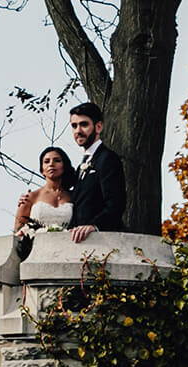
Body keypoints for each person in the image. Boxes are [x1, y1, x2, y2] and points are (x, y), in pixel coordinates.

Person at [60, 101, 126, 241]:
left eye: (84, 124)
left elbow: (116, 203)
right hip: (79, 241)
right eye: (74, 126)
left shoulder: (108, 159)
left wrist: (94, 225)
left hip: (102, 241)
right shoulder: (82, 165)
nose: (78, 130)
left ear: (98, 127)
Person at [14, 146, 77, 257]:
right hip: (37, 253)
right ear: (42, 170)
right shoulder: (31, 197)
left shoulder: (74, 196)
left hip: (68, 251)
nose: (51, 164)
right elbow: (18, 230)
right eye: (46, 161)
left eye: (57, 160)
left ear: (64, 166)